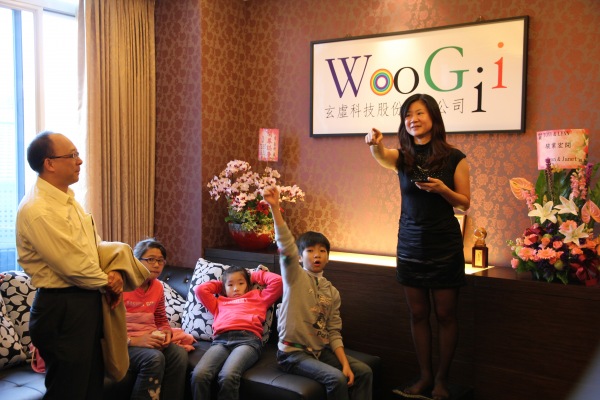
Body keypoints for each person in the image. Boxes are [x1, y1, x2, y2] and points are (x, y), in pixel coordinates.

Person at [365, 93, 471, 400]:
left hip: (444, 244)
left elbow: (464, 204)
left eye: (420, 113)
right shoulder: (402, 158)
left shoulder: (455, 157)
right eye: (408, 115)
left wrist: (442, 189)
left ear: (433, 117)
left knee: (446, 315)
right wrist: (374, 144)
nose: (413, 119)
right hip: (410, 243)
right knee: (418, 314)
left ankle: (442, 380)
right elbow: (382, 155)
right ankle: (425, 376)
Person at [16, 131, 124, 400]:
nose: (80, 161)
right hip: (62, 308)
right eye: (72, 155)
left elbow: (92, 248)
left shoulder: (69, 200)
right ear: (49, 163)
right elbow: (73, 266)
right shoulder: (39, 209)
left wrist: (113, 272)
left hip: (84, 302)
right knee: (69, 391)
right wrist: (108, 282)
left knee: (91, 388)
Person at [262, 186, 373, 400]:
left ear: (328, 257)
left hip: (319, 352)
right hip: (292, 354)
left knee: (364, 372)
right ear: (300, 257)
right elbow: (286, 246)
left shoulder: (332, 292)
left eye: (322, 251)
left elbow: (333, 332)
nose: (317, 255)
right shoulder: (294, 277)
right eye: (310, 250)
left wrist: (345, 364)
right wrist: (275, 208)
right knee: (336, 379)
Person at [191, 263, 282, 400]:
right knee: (199, 375)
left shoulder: (258, 297)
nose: (236, 288)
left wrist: (252, 276)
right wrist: (222, 284)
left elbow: (278, 282)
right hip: (221, 341)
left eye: (241, 283)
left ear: (248, 284)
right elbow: (200, 290)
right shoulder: (218, 302)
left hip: (247, 340)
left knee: (228, 376)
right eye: (230, 285)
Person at [124, 238, 188, 400]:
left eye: (160, 260)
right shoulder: (123, 286)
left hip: (150, 339)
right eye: (150, 259)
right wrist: (134, 341)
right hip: (124, 344)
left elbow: (160, 319)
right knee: (154, 358)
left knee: (179, 354)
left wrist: (166, 332)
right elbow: (106, 328)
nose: (156, 264)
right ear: (136, 261)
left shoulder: (158, 286)